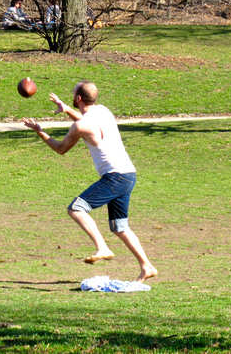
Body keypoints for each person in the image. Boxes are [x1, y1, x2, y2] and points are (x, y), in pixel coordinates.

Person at [23, 80, 157, 283]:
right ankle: (147, 266)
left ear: (78, 98)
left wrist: (39, 130)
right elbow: (88, 123)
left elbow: (61, 148)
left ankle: (102, 247)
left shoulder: (79, 126)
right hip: (128, 173)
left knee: (76, 208)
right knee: (119, 226)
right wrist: (66, 108)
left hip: (115, 176)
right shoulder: (103, 111)